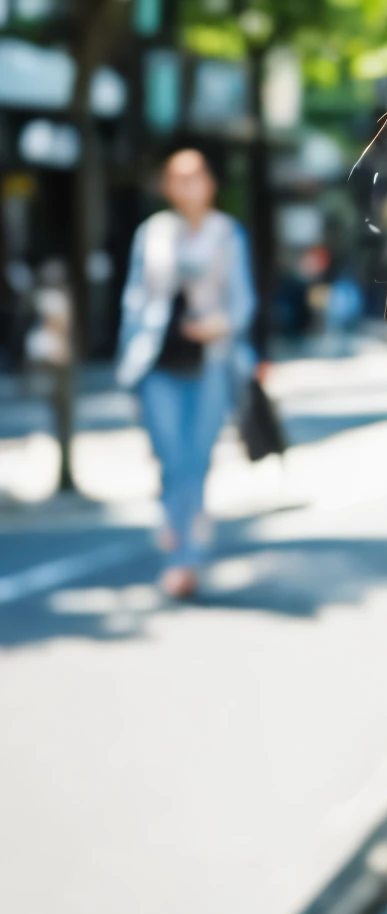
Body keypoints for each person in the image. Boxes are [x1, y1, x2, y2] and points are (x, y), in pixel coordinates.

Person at [117, 148, 256, 599]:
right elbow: (134, 300)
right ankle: (180, 534)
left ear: (210, 183)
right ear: (167, 186)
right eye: (178, 177)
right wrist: (126, 363)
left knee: (196, 459)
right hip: (156, 360)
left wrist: (218, 325)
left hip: (210, 360)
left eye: (195, 176)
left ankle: (185, 555)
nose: (187, 185)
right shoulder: (152, 233)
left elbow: (243, 300)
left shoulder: (226, 234)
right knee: (170, 456)